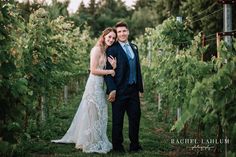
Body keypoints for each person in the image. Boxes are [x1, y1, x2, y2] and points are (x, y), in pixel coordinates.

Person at [51, 27, 117, 154]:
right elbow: (93, 70)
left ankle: (96, 138)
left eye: (113, 38)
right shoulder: (96, 49)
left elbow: (105, 67)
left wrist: (113, 66)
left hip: (100, 85)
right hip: (94, 84)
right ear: (104, 36)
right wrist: (110, 71)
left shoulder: (105, 50)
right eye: (109, 37)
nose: (111, 39)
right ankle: (90, 141)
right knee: (92, 111)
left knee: (99, 112)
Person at [104, 21, 144, 152]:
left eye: (124, 31)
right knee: (118, 120)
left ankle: (135, 145)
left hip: (133, 90)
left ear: (128, 32)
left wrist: (140, 88)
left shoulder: (134, 47)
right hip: (119, 90)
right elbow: (108, 73)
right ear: (117, 33)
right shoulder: (112, 49)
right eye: (119, 31)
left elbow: (137, 69)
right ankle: (118, 146)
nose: (122, 34)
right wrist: (112, 89)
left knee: (135, 117)